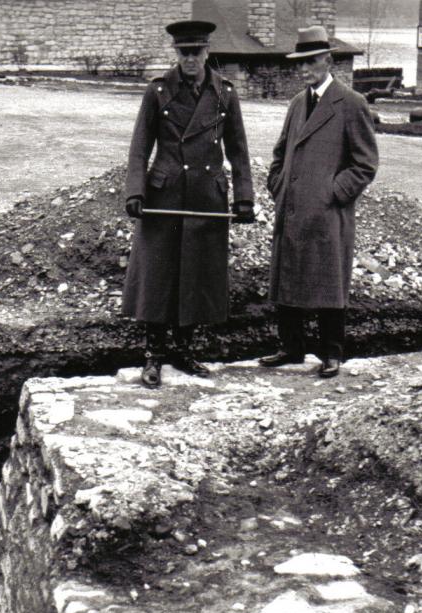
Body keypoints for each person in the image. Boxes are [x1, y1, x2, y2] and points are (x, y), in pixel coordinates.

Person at [123, 19, 255, 388]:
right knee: (158, 276)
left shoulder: (225, 93)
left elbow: (239, 151)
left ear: (207, 52)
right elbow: (139, 147)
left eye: (197, 52)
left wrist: (245, 198)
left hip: (206, 198)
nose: (191, 59)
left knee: (197, 276)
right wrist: (135, 192)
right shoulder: (159, 91)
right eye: (184, 53)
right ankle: (153, 356)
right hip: (164, 196)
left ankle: (183, 350)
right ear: (176, 53)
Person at [260, 25, 379, 378]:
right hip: (293, 208)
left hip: (328, 214)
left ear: (328, 60)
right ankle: (291, 347)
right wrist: (279, 185)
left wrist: (333, 192)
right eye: (301, 63)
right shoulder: (298, 103)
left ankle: (331, 353)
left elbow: (365, 164)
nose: (305, 69)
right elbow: (280, 152)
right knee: (289, 278)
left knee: (328, 280)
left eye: (311, 61)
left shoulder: (351, 103)